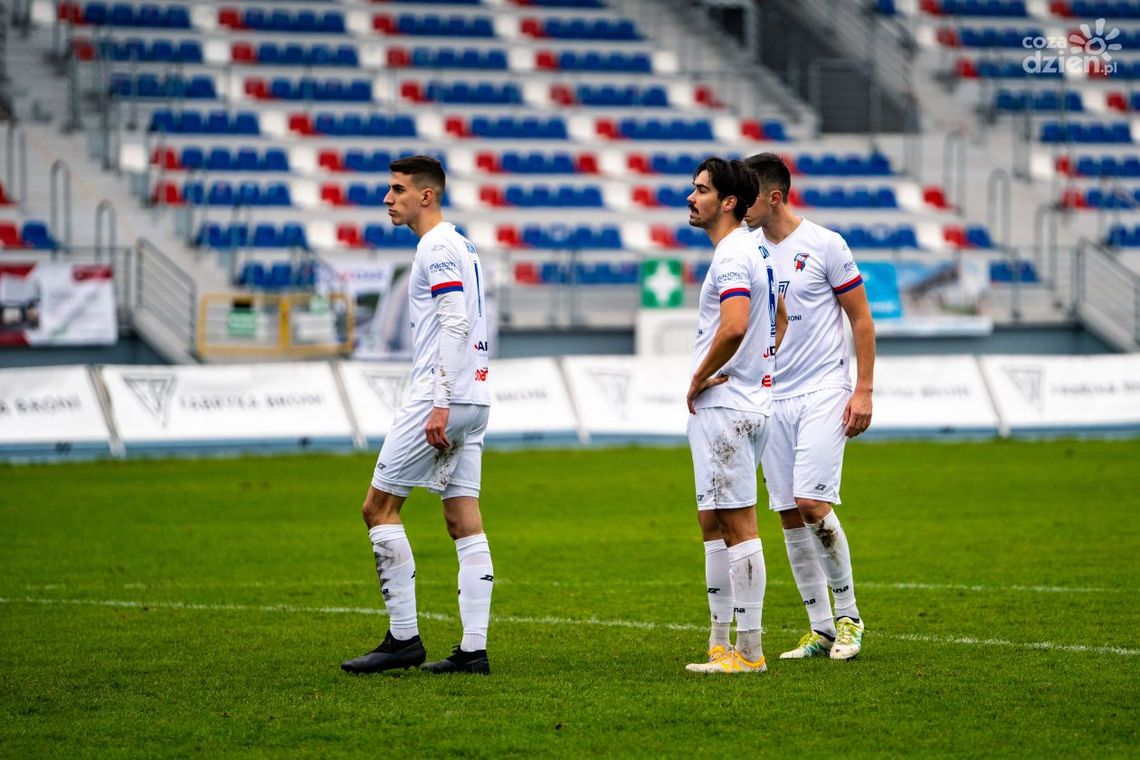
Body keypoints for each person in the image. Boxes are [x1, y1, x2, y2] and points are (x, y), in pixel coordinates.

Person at [341, 155, 495, 676]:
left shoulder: (435, 247)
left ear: (426, 195)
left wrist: (440, 400)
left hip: (442, 394)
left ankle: (402, 639)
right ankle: (473, 651)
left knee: (378, 508)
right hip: (477, 396)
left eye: (397, 189)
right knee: (462, 520)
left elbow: (454, 324)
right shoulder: (463, 244)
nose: (388, 198)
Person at [742, 152, 875, 661]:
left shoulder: (825, 245)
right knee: (789, 515)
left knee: (813, 503)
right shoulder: (746, 251)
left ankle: (849, 619)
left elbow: (860, 319)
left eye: (748, 195)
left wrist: (862, 390)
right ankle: (819, 629)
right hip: (771, 397)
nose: (739, 205)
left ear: (775, 197)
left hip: (823, 391)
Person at [683, 157, 786, 674]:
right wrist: (759, 369)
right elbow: (779, 316)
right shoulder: (755, 252)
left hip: (728, 408)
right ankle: (720, 640)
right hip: (747, 404)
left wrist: (701, 376)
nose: (690, 197)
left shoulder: (731, 256)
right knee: (714, 520)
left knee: (740, 524)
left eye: (701, 189)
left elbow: (734, 326)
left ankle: (749, 651)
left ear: (728, 202)